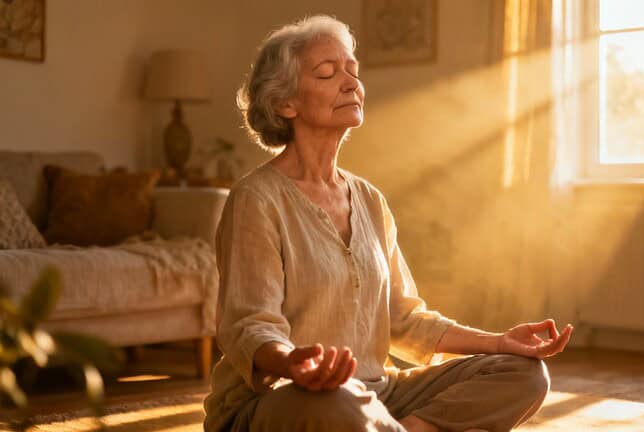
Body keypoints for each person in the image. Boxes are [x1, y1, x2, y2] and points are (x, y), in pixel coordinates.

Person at [203, 14, 573, 432]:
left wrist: (500, 342)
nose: (351, 83)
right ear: (285, 103)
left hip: (376, 393)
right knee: (336, 402)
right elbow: (248, 326)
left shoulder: (369, 200)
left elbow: (404, 319)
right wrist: (294, 363)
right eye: (327, 73)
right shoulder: (257, 199)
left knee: (523, 373)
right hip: (286, 399)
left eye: (353, 71)